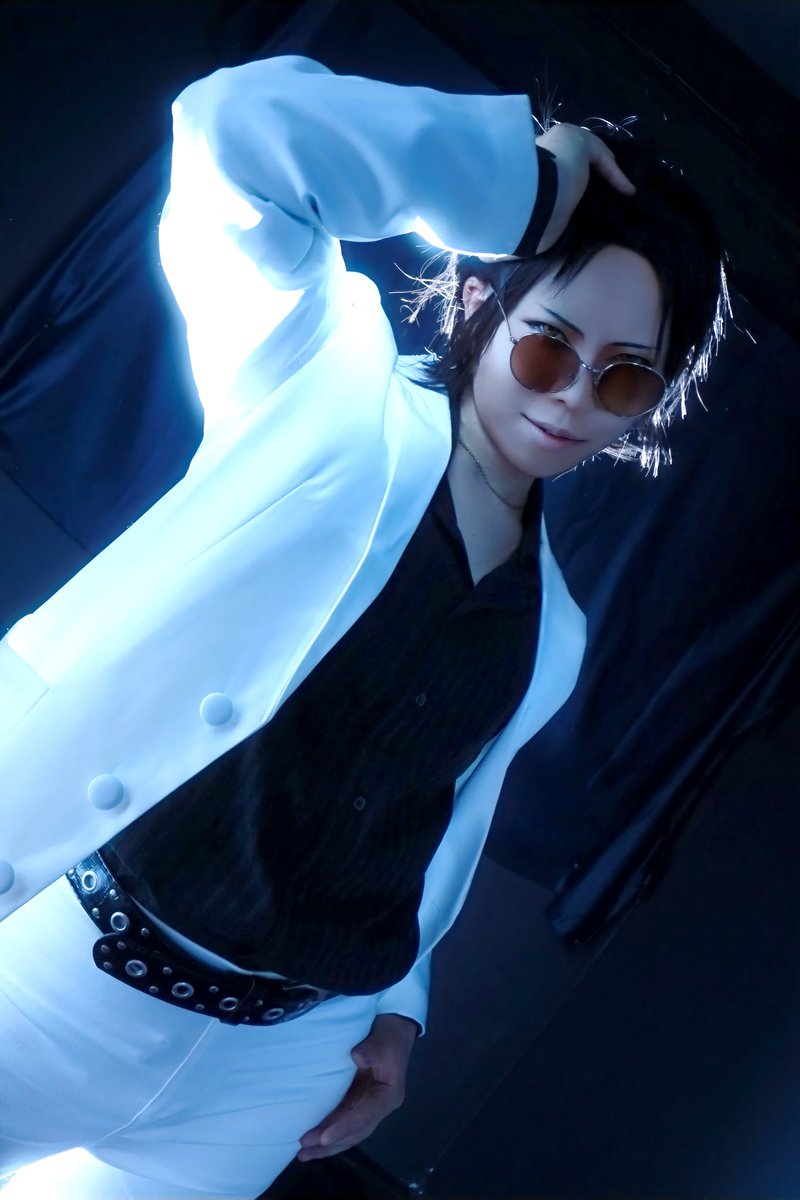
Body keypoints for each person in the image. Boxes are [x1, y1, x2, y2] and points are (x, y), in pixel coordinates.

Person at [0, 55, 724, 1199]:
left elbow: (422, 831)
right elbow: (236, 131)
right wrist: (523, 187)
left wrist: (396, 1008)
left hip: (271, 1072)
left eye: (624, 381)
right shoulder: (321, 391)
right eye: (548, 346)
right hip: (61, 976)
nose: (571, 398)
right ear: (481, 304)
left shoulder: (557, 629)